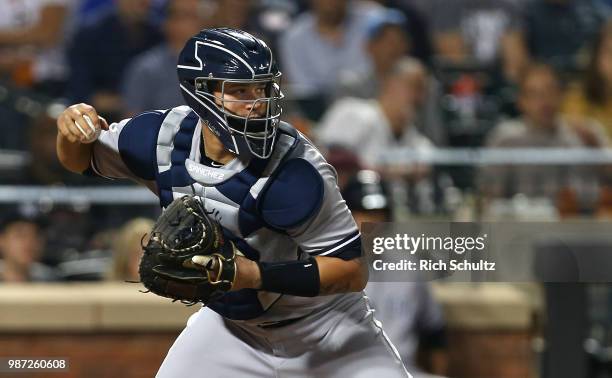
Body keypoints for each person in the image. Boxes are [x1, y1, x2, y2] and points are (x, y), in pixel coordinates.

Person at [56, 28, 410, 377]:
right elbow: (80, 160)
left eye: (262, 88)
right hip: (233, 330)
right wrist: (70, 129)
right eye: (239, 91)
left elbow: (350, 270)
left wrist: (254, 275)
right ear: (201, 93)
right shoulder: (161, 138)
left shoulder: (294, 169)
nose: (256, 104)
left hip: (326, 326)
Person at [342, 170, 448, 377]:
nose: (373, 222)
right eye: (363, 211)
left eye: (379, 213)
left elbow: (435, 331)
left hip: (404, 371)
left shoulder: (407, 265)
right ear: (344, 216)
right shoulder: (326, 269)